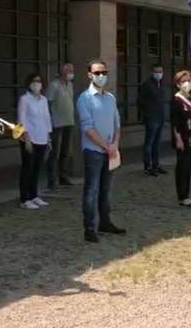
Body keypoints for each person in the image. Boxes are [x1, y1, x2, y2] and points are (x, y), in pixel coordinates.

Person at [76, 59, 125, 243]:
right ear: (90, 75)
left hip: (110, 151)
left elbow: (117, 124)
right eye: (97, 73)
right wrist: (106, 146)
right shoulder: (84, 98)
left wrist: (114, 145)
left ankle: (105, 222)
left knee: (106, 189)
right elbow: (87, 128)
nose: (101, 76)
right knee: (92, 190)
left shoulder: (110, 98)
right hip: (93, 152)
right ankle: (89, 228)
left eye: (104, 72)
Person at [18, 73, 52, 209]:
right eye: (34, 81)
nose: (36, 84)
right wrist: (26, 139)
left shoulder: (43, 100)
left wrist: (49, 138)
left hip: (42, 137)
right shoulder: (24, 99)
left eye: (39, 81)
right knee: (28, 168)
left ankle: (34, 195)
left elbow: (46, 118)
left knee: (37, 168)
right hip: (29, 138)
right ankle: (24, 198)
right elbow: (22, 120)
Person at [170, 70, 191, 207]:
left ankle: (187, 193)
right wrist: (177, 138)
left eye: (188, 81)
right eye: (183, 82)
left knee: (189, 166)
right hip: (182, 137)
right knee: (182, 167)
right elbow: (174, 122)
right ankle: (182, 196)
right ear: (178, 84)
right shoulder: (177, 100)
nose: (187, 84)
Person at [46, 63, 76, 191]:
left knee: (65, 151)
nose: (71, 72)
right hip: (56, 123)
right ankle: (52, 180)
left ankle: (63, 176)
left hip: (68, 121)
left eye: (72, 70)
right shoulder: (54, 85)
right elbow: (48, 103)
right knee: (54, 152)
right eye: (68, 70)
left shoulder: (70, 85)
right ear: (62, 72)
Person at [138, 63, 167, 177]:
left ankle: (156, 165)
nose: (159, 74)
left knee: (157, 143)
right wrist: (147, 113)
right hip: (151, 118)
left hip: (160, 117)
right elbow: (140, 101)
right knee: (149, 143)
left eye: (160, 72)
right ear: (152, 72)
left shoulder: (161, 84)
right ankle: (147, 166)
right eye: (156, 71)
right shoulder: (147, 84)